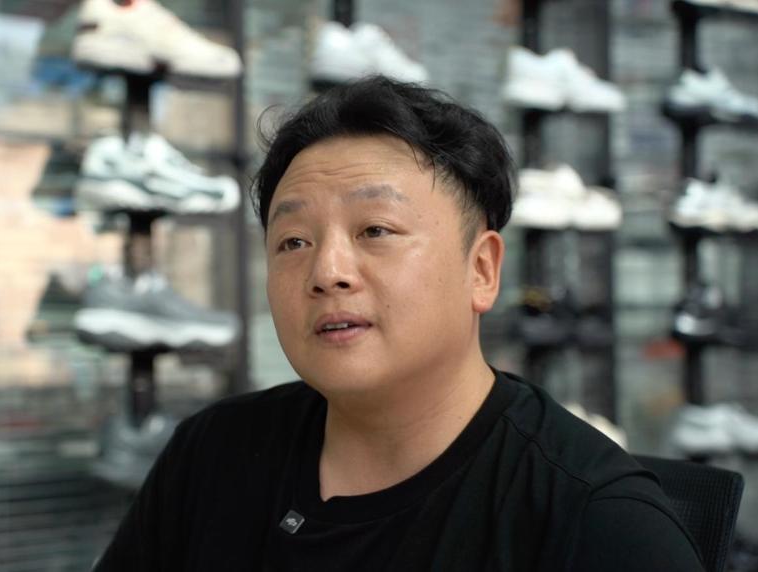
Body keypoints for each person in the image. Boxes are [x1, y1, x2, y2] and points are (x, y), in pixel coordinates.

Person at [93, 76, 704, 571]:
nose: (327, 272)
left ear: (482, 271)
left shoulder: (598, 521)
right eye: (294, 241)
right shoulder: (212, 454)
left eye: (376, 230)